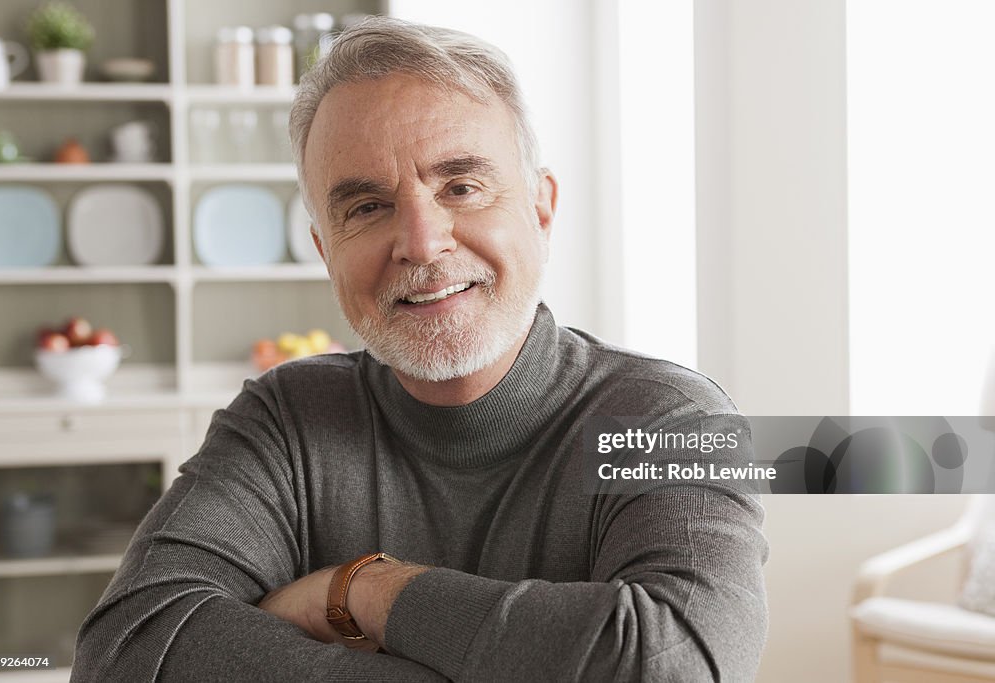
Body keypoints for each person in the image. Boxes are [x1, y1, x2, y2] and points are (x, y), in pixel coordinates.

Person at [72, 16, 767, 682]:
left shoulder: (676, 420)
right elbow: (124, 654)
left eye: (460, 186)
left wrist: (362, 590)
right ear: (325, 250)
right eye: (367, 207)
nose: (423, 241)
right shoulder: (286, 418)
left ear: (542, 209)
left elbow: (677, 664)